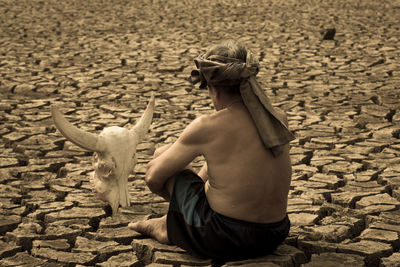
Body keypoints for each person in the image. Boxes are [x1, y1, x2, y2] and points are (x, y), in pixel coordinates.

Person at [129, 40, 295, 262]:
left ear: (213, 89)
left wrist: (182, 198)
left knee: (162, 154)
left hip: (224, 237)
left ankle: (170, 227)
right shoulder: (277, 117)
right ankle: (175, 220)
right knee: (214, 166)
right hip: (274, 234)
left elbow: (153, 177)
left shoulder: (208, 127)